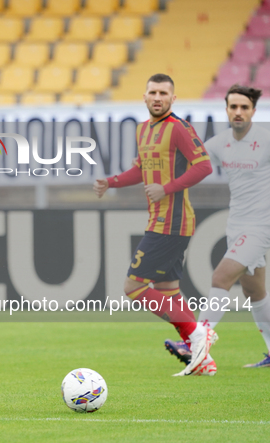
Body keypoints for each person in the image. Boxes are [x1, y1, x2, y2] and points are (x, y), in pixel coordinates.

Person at [93, 73, 216, 376]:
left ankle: (199, 333)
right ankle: (203, 360)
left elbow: (204, 166)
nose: (158, 97)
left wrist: (168, 187)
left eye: (163, 93)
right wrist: (111, 182)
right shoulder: (143, 130)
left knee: (133, 286)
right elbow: (140, 168)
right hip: (158, 219)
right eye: (153, 92)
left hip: (172, 221)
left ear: (174, 98)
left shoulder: (179, 129)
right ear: (145, 97)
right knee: (167, 288)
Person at [165, 85, 270, 369]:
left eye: (244, 107)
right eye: (233, 107)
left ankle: (194, 344)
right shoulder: (220, 142)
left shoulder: (266, 139)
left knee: (221, 277)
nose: (238, 112)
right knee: (255, 292)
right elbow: (191, 163)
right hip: (237, 225)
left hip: (261, 227)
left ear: (253, 111)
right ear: (226, 110)